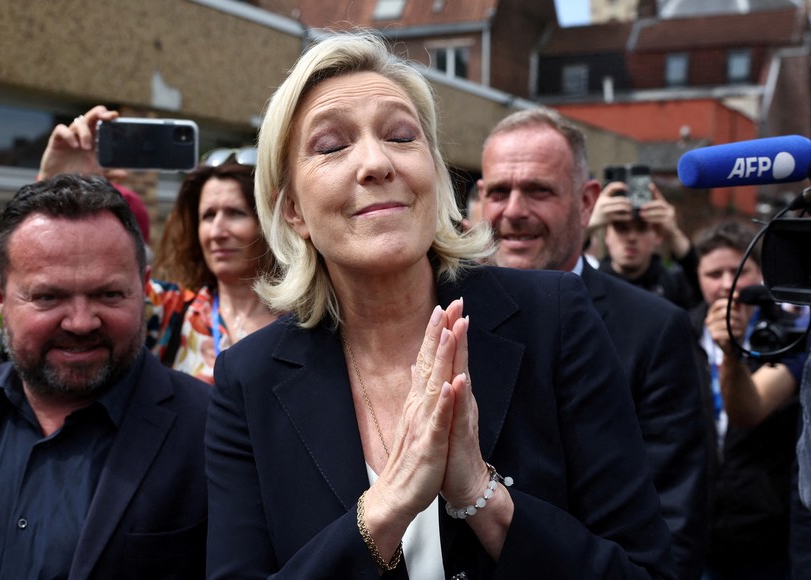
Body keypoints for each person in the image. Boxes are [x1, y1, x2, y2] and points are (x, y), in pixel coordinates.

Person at [205, 31, 676, 578]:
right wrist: (383, 509)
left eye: (402, 136)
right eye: (332, 146)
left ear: (433, 173)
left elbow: (646, 570)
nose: (376, 163)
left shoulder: (556, 319)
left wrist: (481, 496)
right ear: (292, 212)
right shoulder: (248, 379)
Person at [476, 106, 708, 579]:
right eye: (499, 191)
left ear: (587, 202)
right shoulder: (442, 316)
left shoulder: (653, 329)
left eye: (539, 190)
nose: (514, 211)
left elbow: (672, 525)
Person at [0, 175, 210, 578]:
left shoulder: (216, 432)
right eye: (49, 297)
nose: (81, 322)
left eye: (109, 295)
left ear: (144, 287)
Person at [33, 106, 279, 384]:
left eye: (236, 213)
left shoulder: (312, 318)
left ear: (270, 222)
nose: (217, 232)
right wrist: (56, 189)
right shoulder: (169, 312)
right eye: (208, 216)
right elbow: (64, 275)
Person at [690, 218, 807, 578]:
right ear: (697, 276)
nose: (727, 285)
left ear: (761, 273)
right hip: (693, 528)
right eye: (714, 274)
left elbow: (748, 410)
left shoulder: (789, 334)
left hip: (765, 534)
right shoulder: (674, 329)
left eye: (738, 271)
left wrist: (731, 353)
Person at [591, 177, 702, 309]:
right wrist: (590, 225)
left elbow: (704, 289)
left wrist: (673, 234)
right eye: (621, 228)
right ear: (606, 236)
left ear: (658, 235)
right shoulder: (592, 283)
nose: (631, 237)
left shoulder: (672, 284)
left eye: (641, 228)